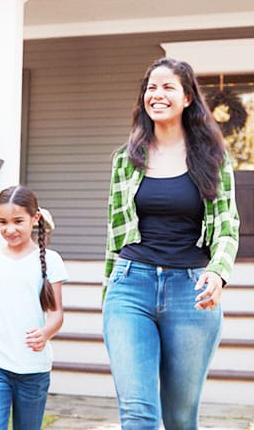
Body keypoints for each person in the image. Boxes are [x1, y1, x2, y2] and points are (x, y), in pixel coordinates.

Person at [102, 57, 240, 430]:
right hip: (131, 287)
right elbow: (114, 235)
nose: (157, 94)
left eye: (167, 87)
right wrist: (109, 290)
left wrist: (218, 273)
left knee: (180, 419)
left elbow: (228, 227)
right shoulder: (125, 160)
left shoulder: (213, 159)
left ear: (187, 98)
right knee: (138, 415)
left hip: (190, 290)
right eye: (151, 87)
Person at [0, 186, 67, 430]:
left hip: (33, 369)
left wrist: (46, 332)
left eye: (18, 221)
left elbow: (57, 314)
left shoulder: (51, 261)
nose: (10, 229)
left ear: (35, 218)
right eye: (3, 222)